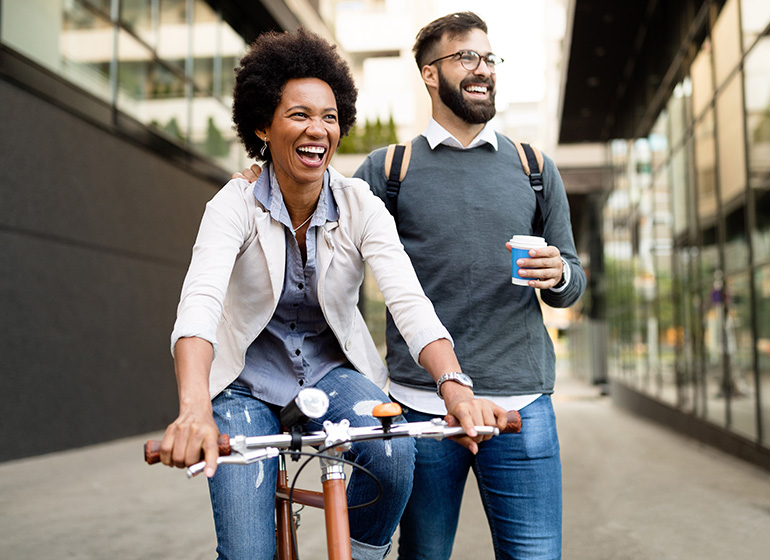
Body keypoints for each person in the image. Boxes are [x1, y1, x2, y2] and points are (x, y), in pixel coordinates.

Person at [159, 27, 507, 560]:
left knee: (393, 457)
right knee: (248, 550)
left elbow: (408, 299)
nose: (317, 129)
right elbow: (200, 304)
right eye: (298, 114)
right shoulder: (233, 205)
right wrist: (193, 409)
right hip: (243, 384)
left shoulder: (359, 204)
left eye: (329, 116)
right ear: (263, 125)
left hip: (328, 371)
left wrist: (454, 386)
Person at [354, 12, 586, 560]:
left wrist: (559, 275)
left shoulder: (534, 167)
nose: (482, 70)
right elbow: (326, 246)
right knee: (426, 554)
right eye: (466, 57)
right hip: (421, 407)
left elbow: (572, 281)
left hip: (521, 407)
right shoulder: (389, 170)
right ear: (430, 74)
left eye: (488, 58)